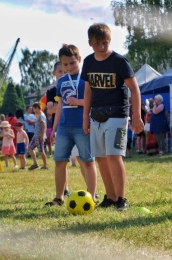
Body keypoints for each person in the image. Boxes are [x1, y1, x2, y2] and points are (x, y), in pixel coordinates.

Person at [81, 23, 144, 211]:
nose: (102, 47)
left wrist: (137, 115)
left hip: (117, 115)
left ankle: (121, 199)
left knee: (114, 156)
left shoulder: (119, 61)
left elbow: (134, 88)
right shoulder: (88, 62)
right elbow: (87, 92)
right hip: (96, 116)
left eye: (105, 43)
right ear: (90, 43)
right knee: (100, 158)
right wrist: (85, 119)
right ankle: (110, 197)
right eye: (98, 43)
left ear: (110, 41)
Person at [45, 44, 98, 207]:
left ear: (79, 60)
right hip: (64, 128)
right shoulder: (61, 82)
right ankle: (59, 197)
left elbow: (94, 101)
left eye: (72, 63)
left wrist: (77, 102)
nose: (69, 67)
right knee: (60, 161)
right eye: (65, 64)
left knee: (87, 161)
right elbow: (59, 108)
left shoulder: (87, 78)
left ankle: (92, 195)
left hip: (83, 126)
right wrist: (54, 130)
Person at [46, 61, 70, 197]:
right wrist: (65, 102)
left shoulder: (73, 86)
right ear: (54, 73)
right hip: (60, 127)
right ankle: (65, 189)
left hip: (74, 124)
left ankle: (92, 191)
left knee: (81, 158)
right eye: (60, 71)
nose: (63, 74)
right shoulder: (51, 91)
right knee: (62, 160)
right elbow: (51, 109)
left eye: (65, 72)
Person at [28, 102, 48, 170]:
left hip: (39, 136)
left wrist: (42, 136)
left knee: (41, 151)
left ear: (37, 108)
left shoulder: (41, 115)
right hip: (35, 135)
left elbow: (43, 126)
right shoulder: (38, 115)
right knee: (30, 148)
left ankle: (45, 166)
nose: (33, 110)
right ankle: (35, 163)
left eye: (33, 109)